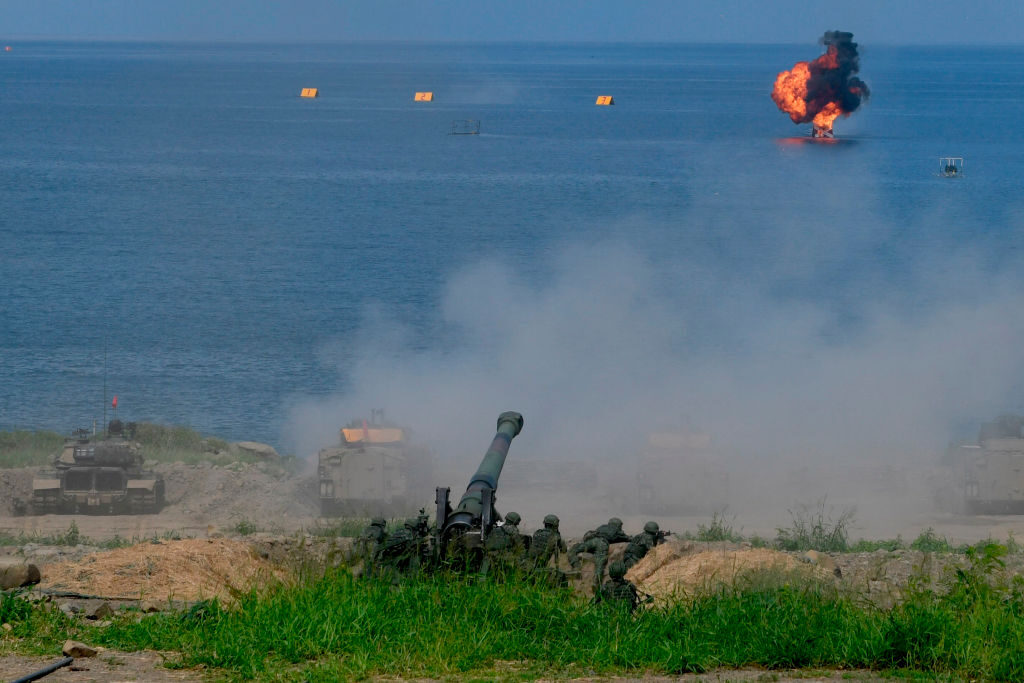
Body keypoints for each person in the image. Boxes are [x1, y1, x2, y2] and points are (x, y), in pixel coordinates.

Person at [569, 517, 630, 592]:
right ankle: (595, 582)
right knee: (600, 564)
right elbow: (627, 539)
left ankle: (576, 567)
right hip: (602, 544)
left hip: (592, 541)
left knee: (574, 550)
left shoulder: (602, 527)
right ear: (618, 525)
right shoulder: (617, 531)